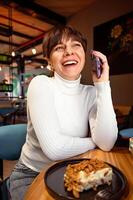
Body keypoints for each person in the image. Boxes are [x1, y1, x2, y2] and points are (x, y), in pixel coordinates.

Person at [8, 25, 118, 199]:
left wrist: (103, 85)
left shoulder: (91, 92)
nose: (68, 52)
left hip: (71, 171)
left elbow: (107, 142)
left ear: (84, 55)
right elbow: (55, 149)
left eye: (76, 45)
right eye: (59, 48)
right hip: (31, 175)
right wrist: (93, 142)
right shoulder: (41, 84)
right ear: (49, 60)